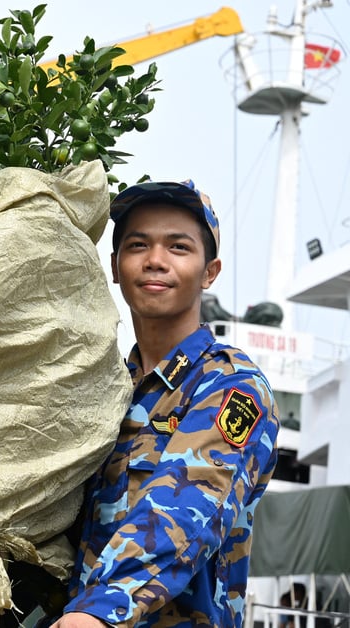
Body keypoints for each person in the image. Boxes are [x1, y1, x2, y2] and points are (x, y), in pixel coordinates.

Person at [48, 180, 280, 627]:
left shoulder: (233, 387)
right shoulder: (103, 392)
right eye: (138, 245)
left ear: (209, 272)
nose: (155, 261)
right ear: (115, 267)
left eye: (178, 247)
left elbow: (186, 510)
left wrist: (95, 615)